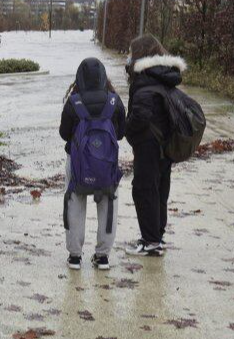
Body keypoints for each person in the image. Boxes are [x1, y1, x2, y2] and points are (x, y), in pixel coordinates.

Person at [60, 58, 126, 271]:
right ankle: (102, 256)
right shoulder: (114, 102)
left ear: (79, 78)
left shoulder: (74, 102)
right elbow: (121, 134)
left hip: (78, 166)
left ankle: (75, 257)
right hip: (107, 164)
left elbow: (64, 134)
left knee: (75, 204)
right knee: (109, 205)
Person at [124, 35, 186, 257]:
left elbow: (139, 116)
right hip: (164, 145)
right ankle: (156, 236)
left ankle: (151, 242)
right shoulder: (163, 77)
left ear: (140, 54)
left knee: (143, 190)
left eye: (131, 52)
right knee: (159, 190)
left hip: (149, 146)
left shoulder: (146, 82)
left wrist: (125, 129)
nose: (128, 57)